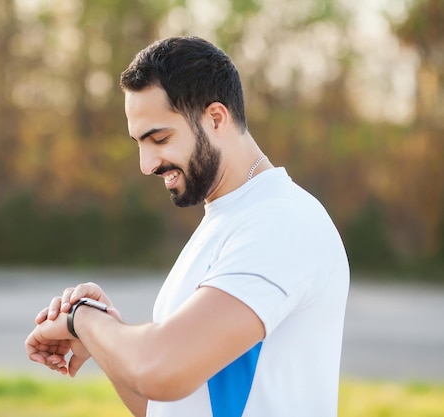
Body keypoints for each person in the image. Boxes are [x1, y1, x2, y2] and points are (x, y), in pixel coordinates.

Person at [25, 36, 349, 417]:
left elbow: (162, 369)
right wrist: (108, 338)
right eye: (139, 143)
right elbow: (163, 403)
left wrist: (84, 319)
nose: (147, 164)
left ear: (215, 118)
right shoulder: (228, 220)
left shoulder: (282, 223)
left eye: (159, 138)